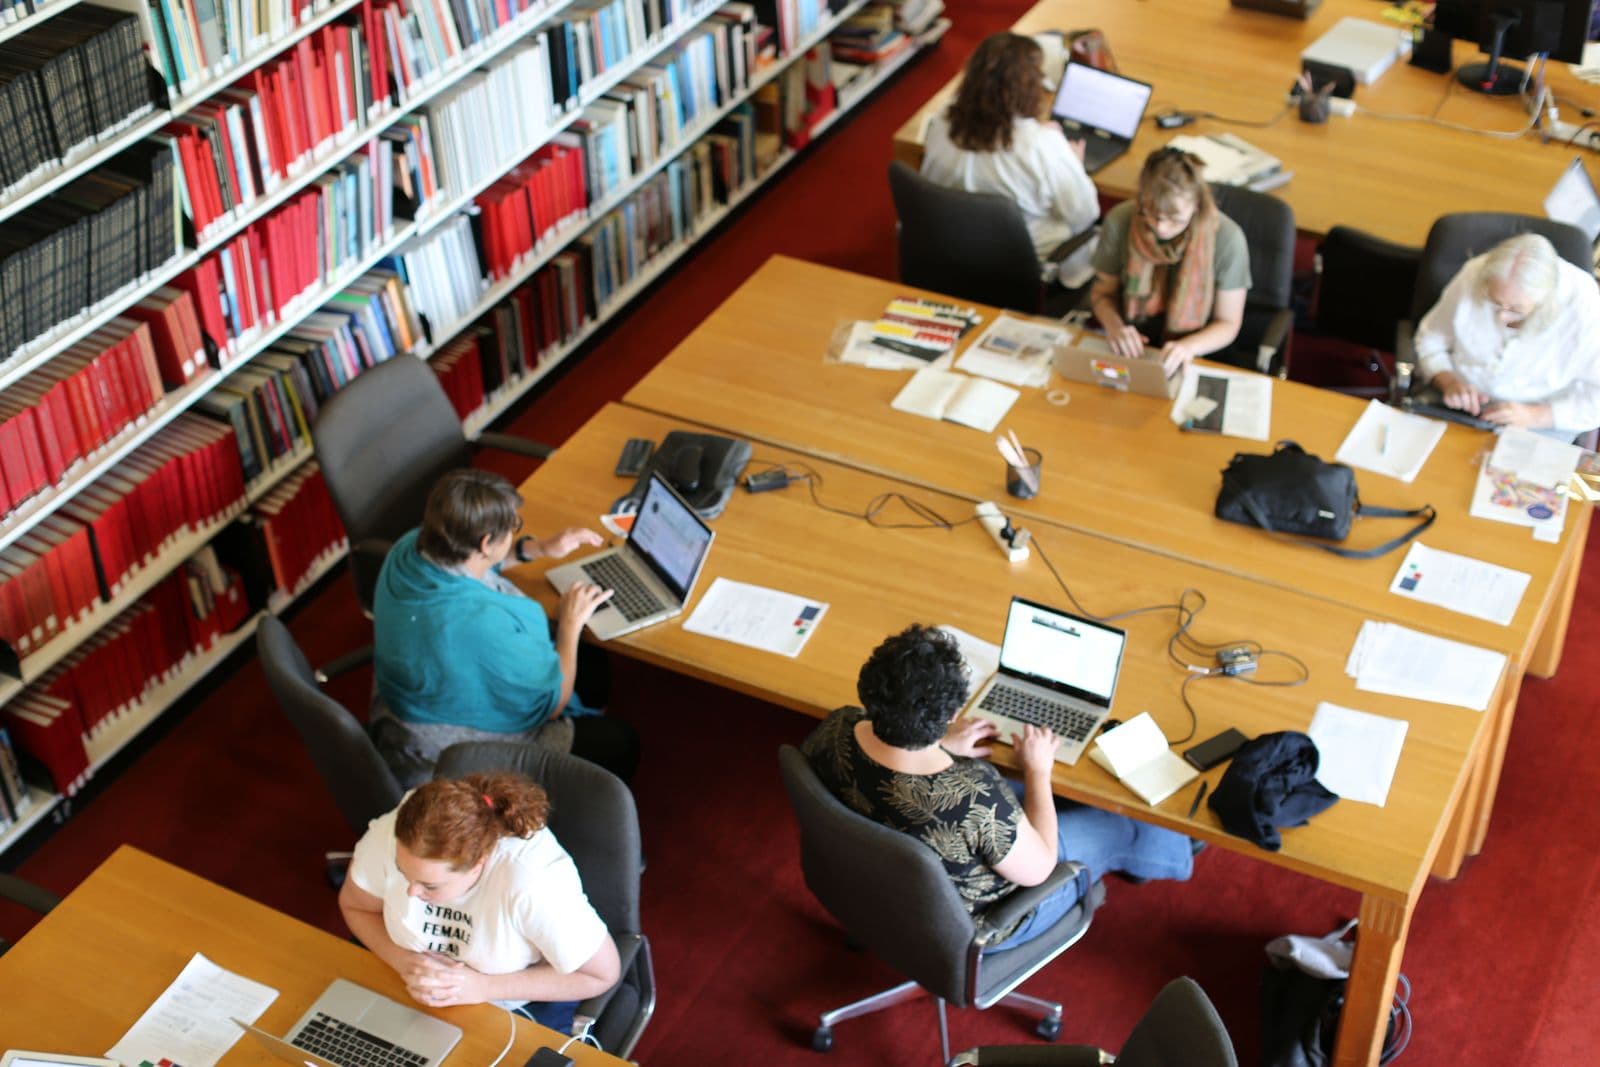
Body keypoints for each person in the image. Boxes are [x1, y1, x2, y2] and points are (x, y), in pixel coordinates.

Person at [801, 625, 1193, 952]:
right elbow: (1041, 868)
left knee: (1021, 802)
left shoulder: (838, 726)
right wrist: (1038, 771)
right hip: (974, 925)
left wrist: (938, 745)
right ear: (953, 715)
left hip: (872, 885)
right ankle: (1178, 847)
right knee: (1116, 823)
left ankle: (1159, 848)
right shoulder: (974, 796)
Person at [371, 469, 640, 787]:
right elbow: (552, 704)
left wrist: (536, 549)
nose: (516, 531)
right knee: (620, 743)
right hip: (440, 750)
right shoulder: (481, 625)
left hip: (408, 699)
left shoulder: (408, 548)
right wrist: (570, 624)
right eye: (514, 527)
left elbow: (470, 560)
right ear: (486, 543)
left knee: (589, 661)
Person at [339, 772, 621, 1034]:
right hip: (406, 987)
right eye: (403, 872)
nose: (412, 892)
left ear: (478, 864)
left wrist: (482, 987)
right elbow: (356, 906)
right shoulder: (396, 834)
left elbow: (601, 975)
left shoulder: (531, 881)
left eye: (430, 885)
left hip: (507, 1005)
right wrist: (403, 961)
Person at [921, 32, 1101, 288]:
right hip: (1020, 261)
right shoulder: (1041, 146)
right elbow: (1086, 214)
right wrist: (1073, 163)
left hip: (950, 248)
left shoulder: (941, 122)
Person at [1413, 232, 1600, 437]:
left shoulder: (1586, 309)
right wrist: (1448, 381)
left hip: (1537, 420)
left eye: (1516, 309)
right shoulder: (1476, 273)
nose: (1502, 317)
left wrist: (1534, 416)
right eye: (1495, 302)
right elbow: (1430, 338)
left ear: (1545, 300)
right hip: (1458, 404)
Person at [1089, 147, 1250, 374]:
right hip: (1134, 346)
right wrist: (1115, 327)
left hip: (1198, 350)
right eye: (1151, 214)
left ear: (1196, 205)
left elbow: (1228, 323)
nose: (1161, 228)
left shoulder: (1227, 239)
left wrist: (1188, 347)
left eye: (1174, 219)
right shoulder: (1121, 219)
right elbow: (1102, 293)